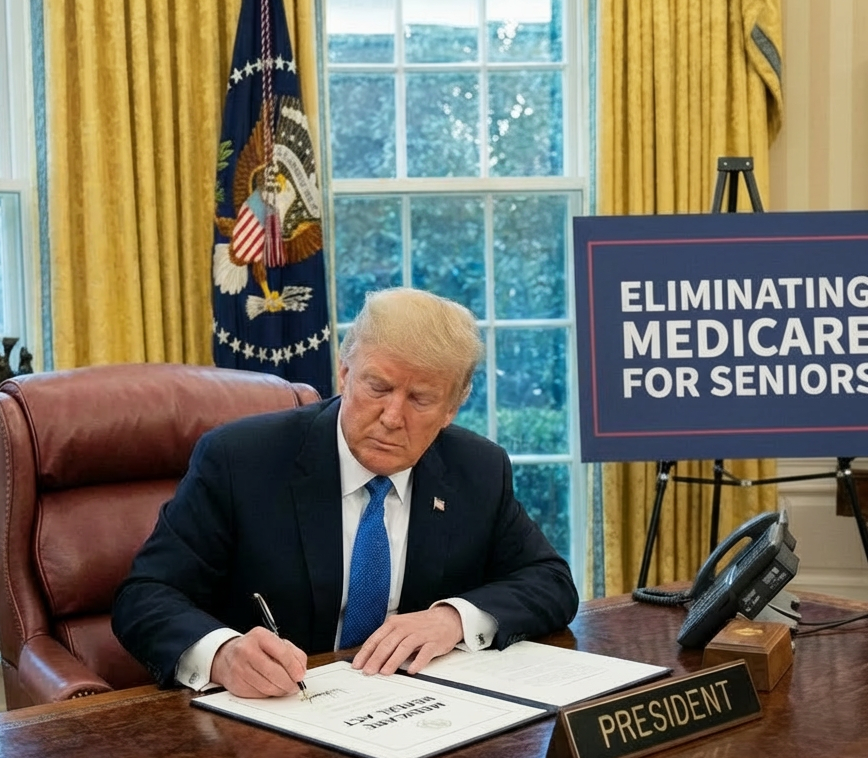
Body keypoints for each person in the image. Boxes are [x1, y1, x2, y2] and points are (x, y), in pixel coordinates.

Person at [112, 287, 578, 698]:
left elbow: (550, 582)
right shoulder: (240, 460)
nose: (393, 416)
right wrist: (222, 653)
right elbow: (145, 596)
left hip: (417, 718)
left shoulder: (477, 468)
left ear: (453, 407)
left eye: (420, 399)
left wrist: (451, 620)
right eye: (378, 386)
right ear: (343, 373)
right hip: (276, 719)